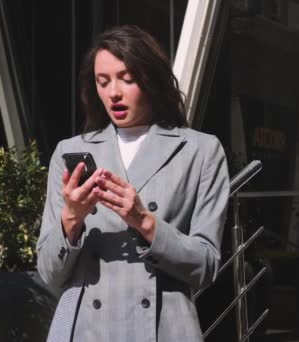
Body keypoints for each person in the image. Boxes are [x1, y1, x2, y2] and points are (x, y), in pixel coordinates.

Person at [37, 25, 229, 342]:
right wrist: (72, 217)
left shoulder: (200, 151)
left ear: (151, 78)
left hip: (163, 328)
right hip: (88, 330)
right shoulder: (69, 152)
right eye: (103, 82)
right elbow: (48, 273)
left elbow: (206, 266)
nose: (114, 92)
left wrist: (144, 221)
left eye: (127, 79)